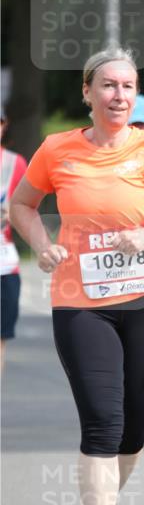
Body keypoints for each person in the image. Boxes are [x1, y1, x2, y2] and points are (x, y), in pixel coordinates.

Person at [10, 47, 144, 505]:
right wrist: (42, 245)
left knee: (133, 428)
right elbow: (21, 204)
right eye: (110, 86)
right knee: (102, 422)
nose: (120, 96)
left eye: (129, 87)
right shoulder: (58, 149)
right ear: (88, 92)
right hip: (80, 303)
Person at [1, 108, 28, 370]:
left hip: (4, 262)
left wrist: (13, 214)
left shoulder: (15, 163)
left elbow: (28, 206)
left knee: (0, 338)